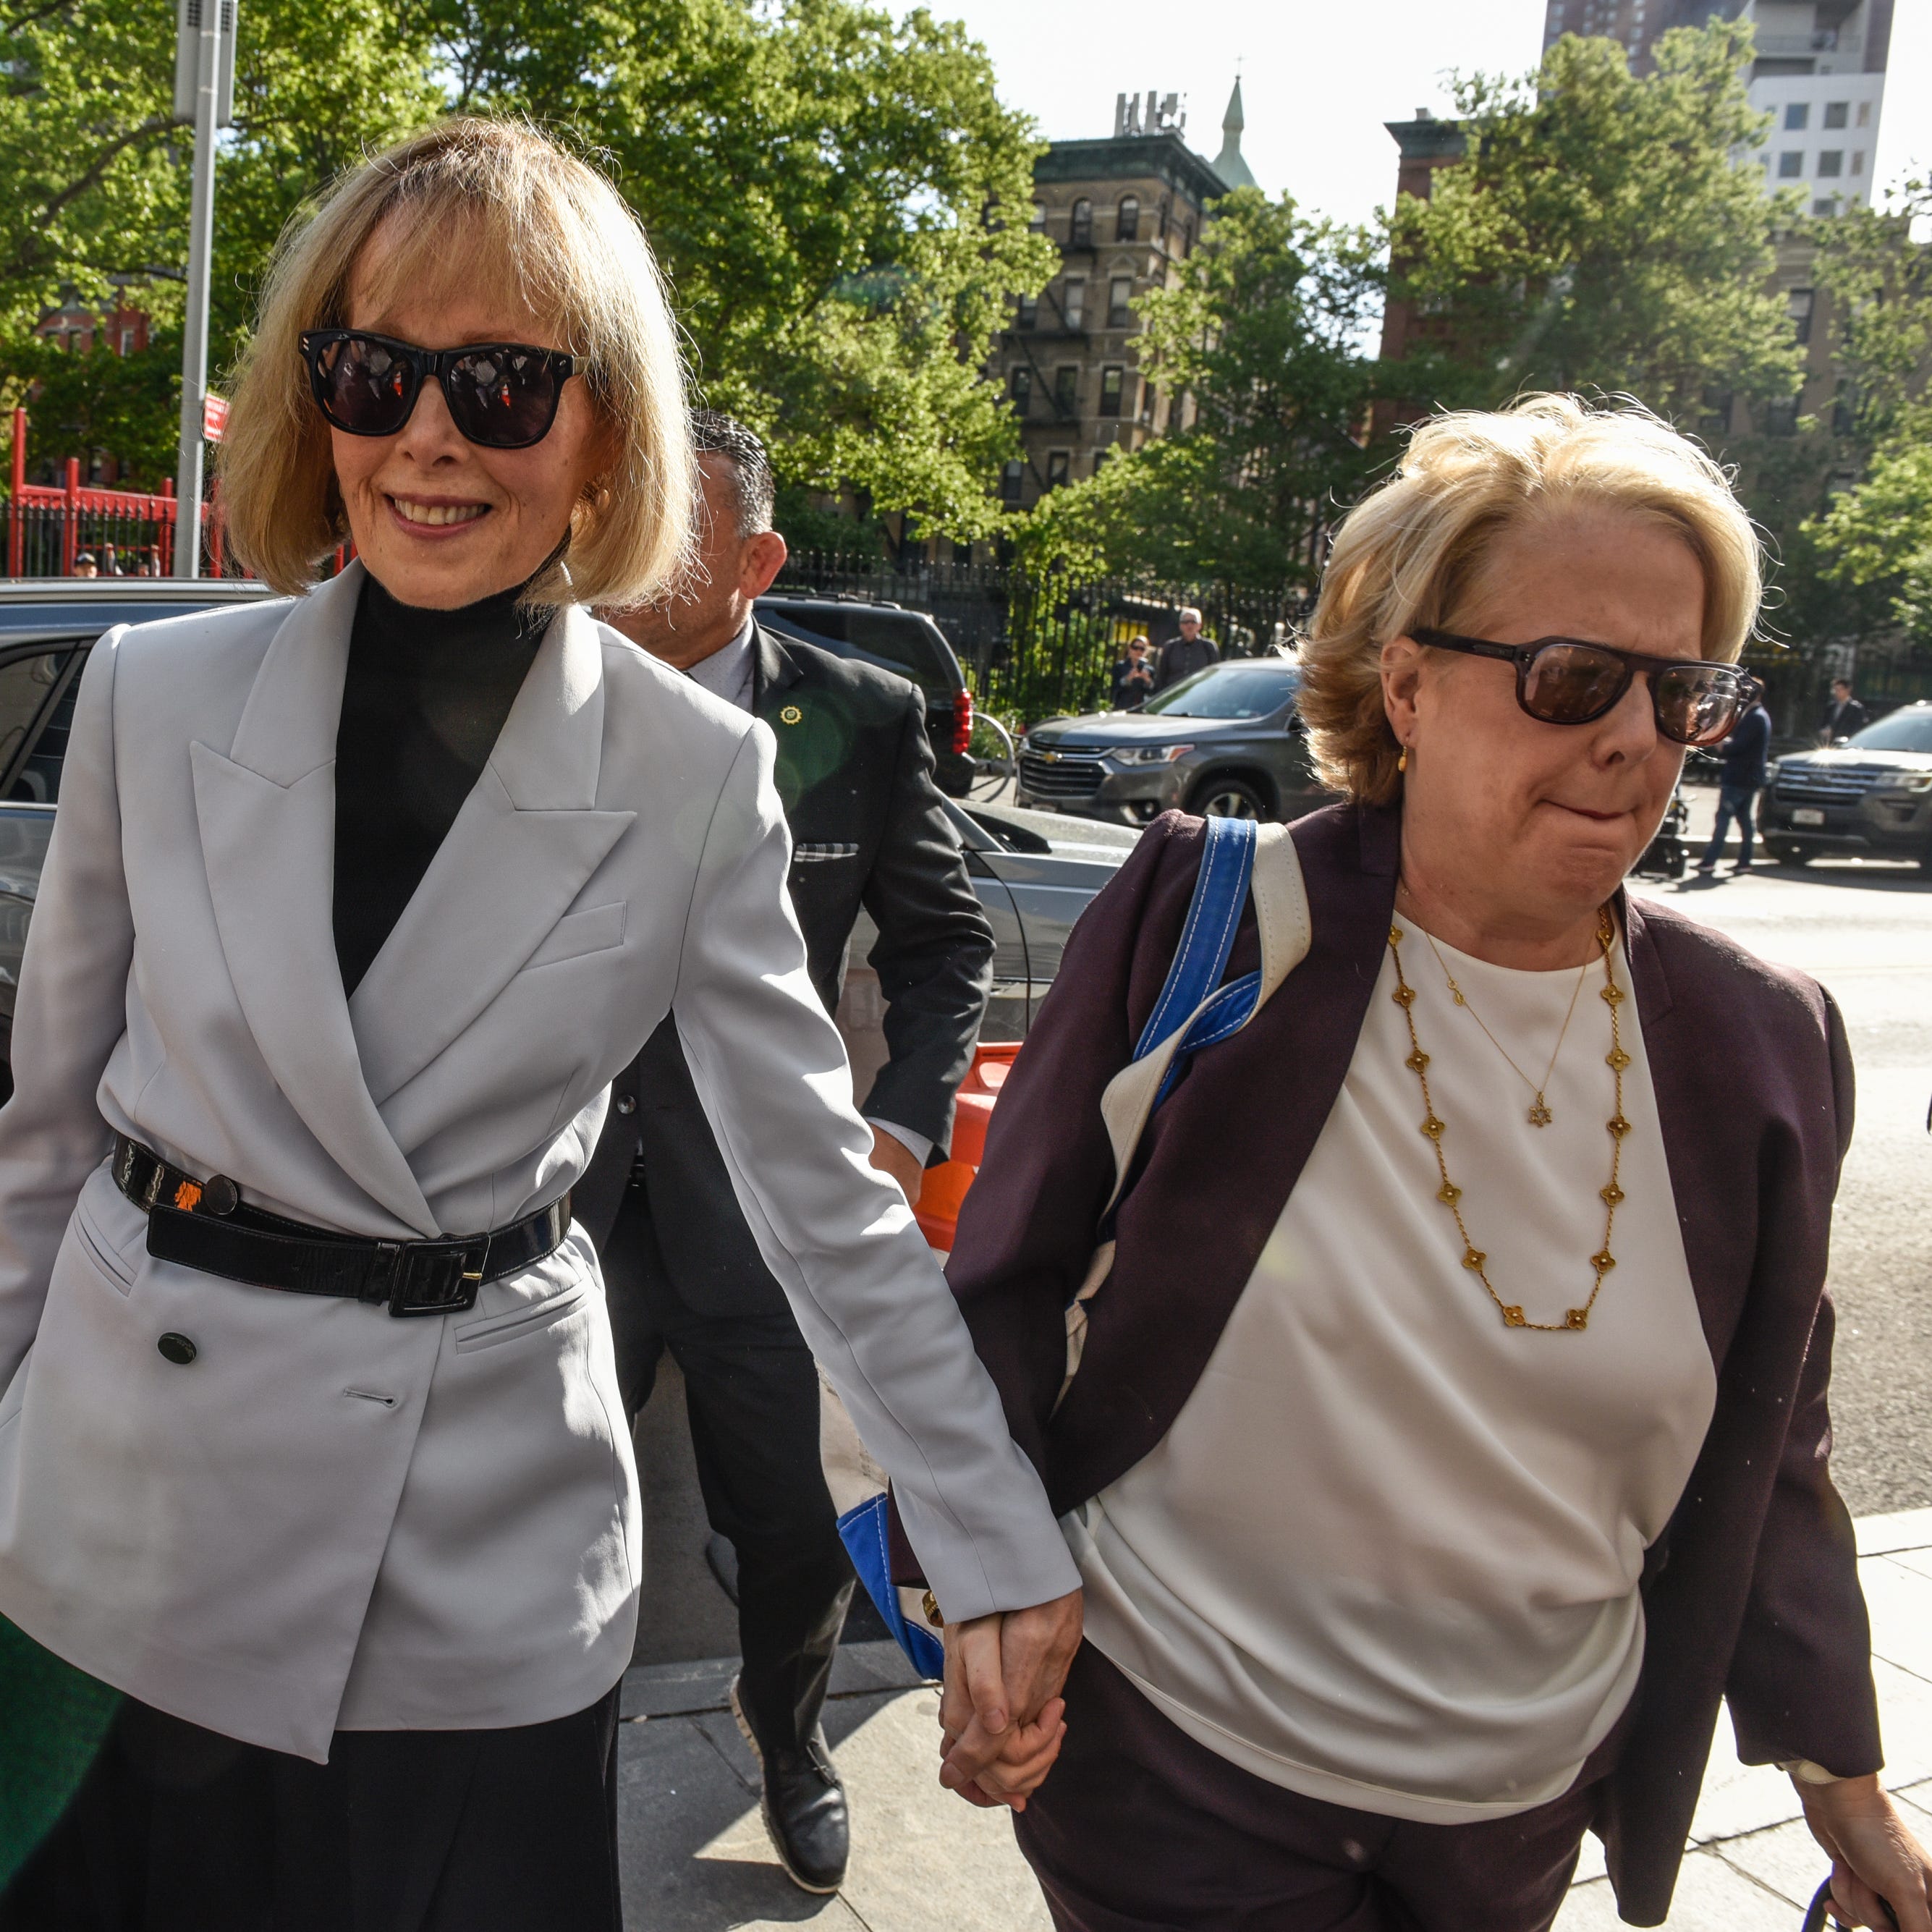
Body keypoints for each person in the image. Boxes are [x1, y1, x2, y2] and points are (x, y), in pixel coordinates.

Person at [0, 119, 1080, 1931]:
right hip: (116, 1508)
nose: (426, 433)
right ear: (311, 400)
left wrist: (987, 1535)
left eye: (502, 381)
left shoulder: (693, 771)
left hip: (469, 1541)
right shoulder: (151, 690)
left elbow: (815, 1190)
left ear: (601, 429)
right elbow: (42, 1137)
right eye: (372, 370)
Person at [933, 396, 1932, 1932]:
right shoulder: (1213, 923)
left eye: (1683, 694)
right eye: (1573, 679)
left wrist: (1839, 1770)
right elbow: (1002, 1289)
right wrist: (984, 1591)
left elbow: (1772, 1438)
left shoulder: (1764, 1039)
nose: (1631, 741)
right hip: (1173, 1774)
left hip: (1517, 1820)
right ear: (1407, 685)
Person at [575, 410, 996, 1894]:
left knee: (790, 1511)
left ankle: (791, 1734)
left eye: (673, 531)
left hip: (761, 1201)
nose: (623, 554)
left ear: (755, 558)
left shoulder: (861, 716)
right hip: (552, 1210)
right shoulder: (536, 684)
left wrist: (898, 1125)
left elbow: (945, 942)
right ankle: (544, 1751)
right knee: (543, 1498)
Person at [1698, 691, 1771, 875]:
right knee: (1744, 820)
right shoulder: (1759, 716)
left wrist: (1720, 742)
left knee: (1723, 817)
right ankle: (1744, 861)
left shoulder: (1754, 718)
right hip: (1749, 777)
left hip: (1739, 777)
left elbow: (1738, 747)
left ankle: (1710, 860)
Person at [1153, 606, 1219, 691]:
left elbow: (1214, 675)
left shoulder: (1208, 647)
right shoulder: (1170, 646)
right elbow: (1161, 677)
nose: (1189, 625)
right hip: (1173, 694)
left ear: (1200, 625)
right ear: (1180, 626)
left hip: (1199, 694)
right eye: (1185, 622)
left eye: (1193, 622)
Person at [1820, 677, 1870, 745]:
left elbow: (1859, 728)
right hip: (1830, 743)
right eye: (1835, 690)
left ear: (1847, 690)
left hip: (1848, 743)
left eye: (1840, 690)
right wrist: (1824, 731)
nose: (1837, 692)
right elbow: (1823, 723)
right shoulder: (1831, 707)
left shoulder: (1856, 708)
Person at [1110, 636, 1155, 709]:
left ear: (1146, 651)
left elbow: (1153, 691)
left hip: (1141, 706)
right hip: (1123, 705)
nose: (1138, 651)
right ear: (1130, 649)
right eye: (1135, 648)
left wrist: (1147, 680)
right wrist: (1128, 678)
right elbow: (1115, 688)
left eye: (1142, 649)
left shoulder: (1150, 670)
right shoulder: (1120, 666)